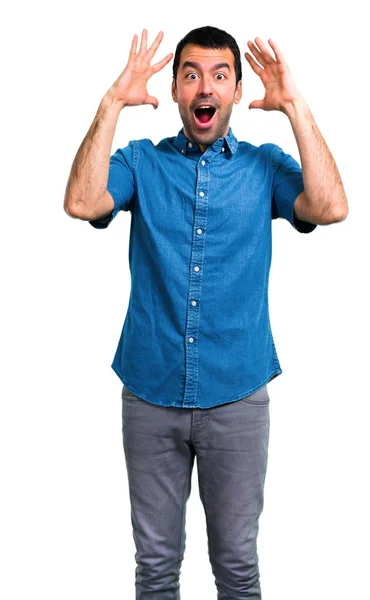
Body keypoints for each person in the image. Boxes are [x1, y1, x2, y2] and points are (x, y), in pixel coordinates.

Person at [64, 25, 348, 599]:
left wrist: (294, 106)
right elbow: (81, 202)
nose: (205, 86)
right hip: (149, 391)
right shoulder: (141, 162)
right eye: (191, 73)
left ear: (237, 91)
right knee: (156, 568)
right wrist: (112, 101)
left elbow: (331, 206)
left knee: (238, 567)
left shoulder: (263, 167)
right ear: (174, 89)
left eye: (220, 75)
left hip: (237, 397)